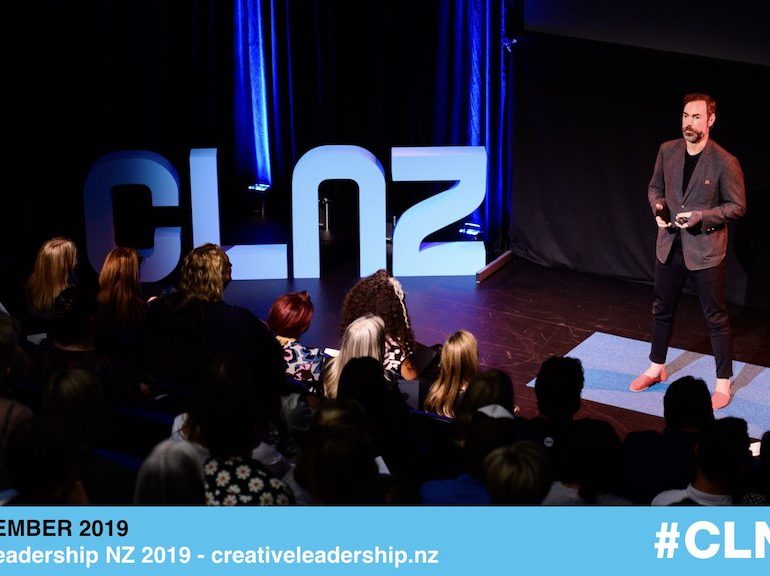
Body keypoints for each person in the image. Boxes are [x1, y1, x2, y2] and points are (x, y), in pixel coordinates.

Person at [630, 93, 746, 410]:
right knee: (661, 310)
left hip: (705, 252)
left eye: (696, 117)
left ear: (710, 120)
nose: (689, 123)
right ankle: (656, 367)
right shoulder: (667, 150)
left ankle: (723, 383)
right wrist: (658, 207)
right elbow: (655, 188)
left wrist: (701, 217)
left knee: (716, 318)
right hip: (669, 245)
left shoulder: (725, 161)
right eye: (685, 116)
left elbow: (737, 206)